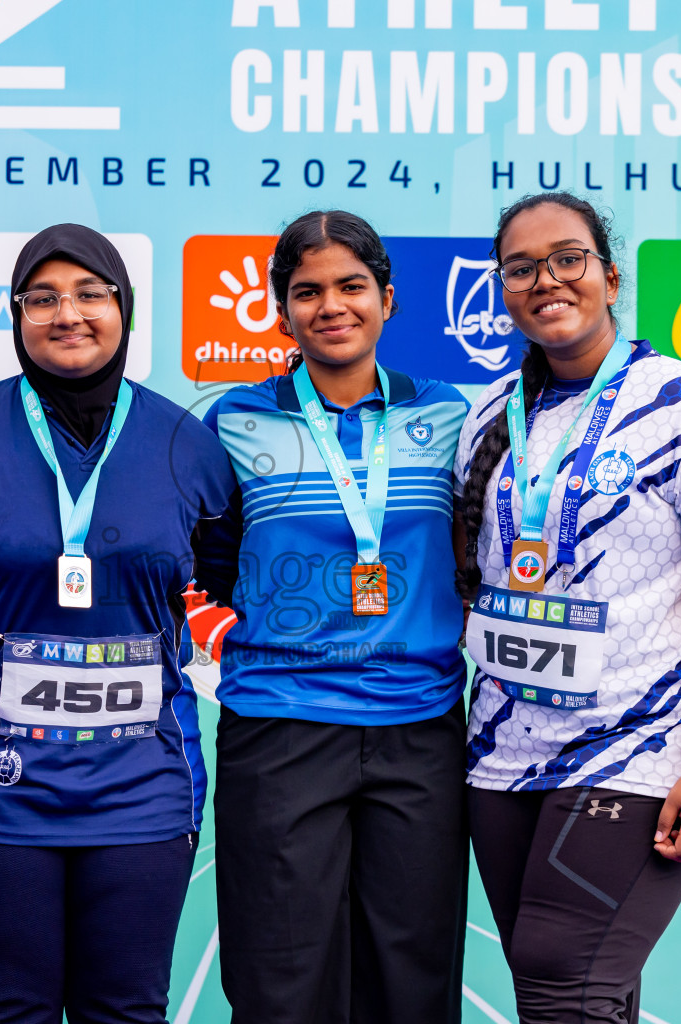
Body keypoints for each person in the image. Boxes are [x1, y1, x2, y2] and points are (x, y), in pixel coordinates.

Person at [0, 224, 237, 1024]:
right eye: (44, 298)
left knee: (127, 1013)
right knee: (6, 1013)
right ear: (18, 315)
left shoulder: (186, 446)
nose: (69, 314)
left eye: (91, 294)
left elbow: (229, 595)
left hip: (144, 788)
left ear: (124, 309)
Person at [453, 192, 681, 1023]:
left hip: (640, 750)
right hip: (502, 754)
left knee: (562, 975)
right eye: (521, 268)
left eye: (567, 258)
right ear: (503, 290)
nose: (546, 280)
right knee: (584, 991)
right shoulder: (490, 418)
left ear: (608, 274)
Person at [193, 210, 471, 1024]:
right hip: (279, 725)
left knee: (411, 982)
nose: (331, 305)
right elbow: (207, 567)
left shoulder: (448, 416)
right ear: (281, 309)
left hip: (419, 727)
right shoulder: (235, 420)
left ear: (387, 298)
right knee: (281, 983)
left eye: (352, 286)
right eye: (306, 291)